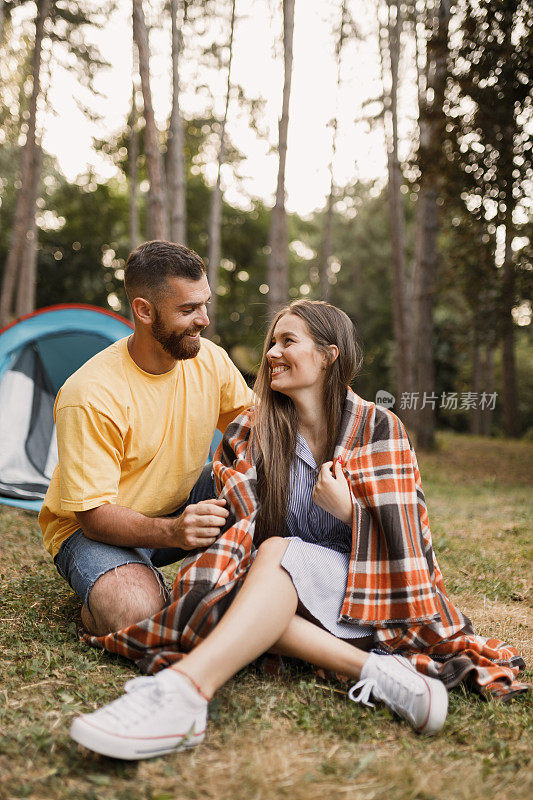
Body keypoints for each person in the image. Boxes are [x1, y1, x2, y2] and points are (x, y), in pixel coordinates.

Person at [69, 300, 527, 760]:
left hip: (368, 596)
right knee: (253, 574)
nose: (271, 352)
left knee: (275, 555)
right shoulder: (253, 431)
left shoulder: (377, 427)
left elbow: (411, 549)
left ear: (329, 355)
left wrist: (352, 512)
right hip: (279, 589)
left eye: (289, 341)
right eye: (273, 341)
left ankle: (184, 690)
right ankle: (378, 673)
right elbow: (238, 535)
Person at [39, 240, 253, 636]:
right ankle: (111, 594)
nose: (203, 319)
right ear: (143, 311)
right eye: (187, 310)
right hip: (93, 531)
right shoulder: (90, 393)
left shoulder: (211, 359)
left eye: (204, 303)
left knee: (267, 461)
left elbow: (258, 430)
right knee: (139, 616)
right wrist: (173, 532)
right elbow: (93, 516)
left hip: (179, 508)